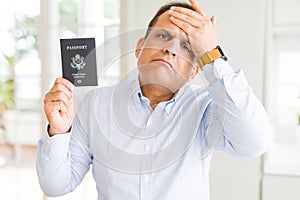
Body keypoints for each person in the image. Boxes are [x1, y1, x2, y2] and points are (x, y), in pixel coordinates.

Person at [36, 0, 273, 199]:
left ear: (194, 71)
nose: (170, 48)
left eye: (186, 46)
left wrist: (212, 55)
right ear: (140, 47)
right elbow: (56, 186)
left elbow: (255, 143)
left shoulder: (208, 108)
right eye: (163, 36)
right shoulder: (95, 104)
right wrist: (58, 132)